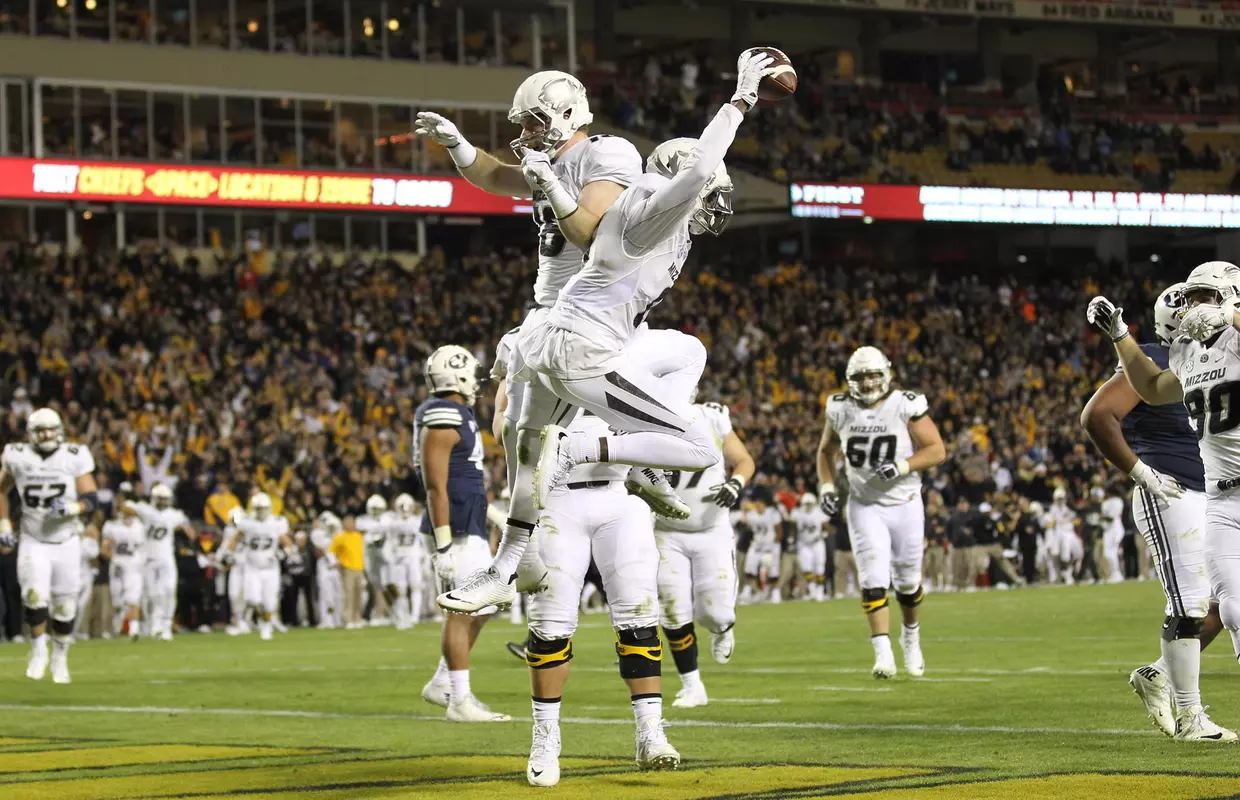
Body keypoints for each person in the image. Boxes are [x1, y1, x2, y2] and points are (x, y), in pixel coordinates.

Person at [436, 50, 774, 614]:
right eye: (712, 191)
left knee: (524, 444)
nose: (716, 201)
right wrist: (742, 98)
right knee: (692, 440)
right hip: (579, 345)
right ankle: (597, 452)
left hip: (557, 332)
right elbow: (686, 176)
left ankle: (505, 566)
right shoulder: (653, 208)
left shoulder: (648, 208)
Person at [416, 71, 691, 533]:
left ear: (567, 116)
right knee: (513, 422)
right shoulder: (551, 161)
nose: (525, 135)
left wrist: (547, 183)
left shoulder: (608, 152)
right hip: (548, 311)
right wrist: (458, 145)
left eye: (534, 123)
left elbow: (585, 229)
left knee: (676, 364)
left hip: (590, 313)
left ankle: (644, 457)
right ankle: (523, 553)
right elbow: (494, 176)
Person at [1083, 277, 1231, 741]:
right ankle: (1190, 717)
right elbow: (1098, 414)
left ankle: (1159, 674)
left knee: (1224, 603)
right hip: (1172, 488)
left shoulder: (1218, 352)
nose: (1198, 311)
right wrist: (1139, 471)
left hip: (1213, 492)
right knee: (1189, 603)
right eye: (1192, 304)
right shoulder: (1163, 356)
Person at [523, 410, 679, 786]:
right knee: (550, 622)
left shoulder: (624, 361)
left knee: (639, 614)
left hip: (618, 493)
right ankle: (545, 738)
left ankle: (649, 731)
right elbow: (504, 425)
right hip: (555, 496)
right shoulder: (533, 356)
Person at [816, 346, 946, 680]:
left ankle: (911, 637)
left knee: (907, 581)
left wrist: (903, 465)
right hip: (864, 504)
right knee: (873, 579)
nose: (869, 381)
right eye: (861, 376)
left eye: (874, 374)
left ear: (886, 374)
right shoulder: (840, 408)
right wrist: (827, 487)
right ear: (850, 380)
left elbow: (936, 450)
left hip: (905, 503)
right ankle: (883, 653)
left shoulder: (905, 403)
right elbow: (825, 452)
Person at [416, 345, 510, 722]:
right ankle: (459, 700)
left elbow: (462, 480)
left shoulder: (458, 413)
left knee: (485, 604)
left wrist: (492, 515)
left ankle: (443, 683)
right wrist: (442, 545)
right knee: (462, 609)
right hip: (451, 529)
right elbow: (436, 485)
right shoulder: (442, 415)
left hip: (466, 521)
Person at [655, 398, 755, 708]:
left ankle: (723, 628)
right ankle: (692, 685)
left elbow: (744, 461)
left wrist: (736, 483)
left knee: (716, 612)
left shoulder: (710, 417)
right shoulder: (641, 419)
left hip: (711, 529)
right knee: (672, 610)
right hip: (665, 531)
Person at [0, 408, 100, 683]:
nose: (46, 434)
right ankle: (38, 650)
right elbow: (1, 489)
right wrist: (4, 523)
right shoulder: (17, 455)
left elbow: (92, 497)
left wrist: (72, 507)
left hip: (67, 540)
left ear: (59, 430)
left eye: (50, 429)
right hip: (34, 539)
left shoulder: (74, 456)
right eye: (40, 430)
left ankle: (60, 657)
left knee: (65, 607)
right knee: (34, 596)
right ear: (31, 434)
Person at [121, 483, 189, 640]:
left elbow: (186, 527)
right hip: (150, 558)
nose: (164, 502)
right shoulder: (147, 511)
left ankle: (165, 626)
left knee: (169, 590)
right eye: (161, 499)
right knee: (152, 594)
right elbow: (124, 506)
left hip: (166, 558)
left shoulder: (172, 514)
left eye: (166, 499)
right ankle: (154, 625)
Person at [224, 493, 292, 642]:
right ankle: (260, 621)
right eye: (258, 509)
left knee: (270, 603)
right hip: (252, 567)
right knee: (252, 599)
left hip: (270, 569)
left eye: (263, 508)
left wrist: (281, 555)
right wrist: (229, 552)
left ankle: (266, 626)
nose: (261, 512)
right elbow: (236, 539)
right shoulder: (247, 523)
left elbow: (288, 544)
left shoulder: (276, 523)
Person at [101, 500, 145, 639]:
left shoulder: (139, 526)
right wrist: (114, 559)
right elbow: (104, 548)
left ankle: (134, 629)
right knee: (117, 600)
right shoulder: (113, 526)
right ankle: (118, 627)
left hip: (133, 566)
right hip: (118, 565)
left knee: (133, 598)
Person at [386, 493, 425, 629]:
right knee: (402, 589)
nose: (404, 509)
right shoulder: (395, 522)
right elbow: (390, 541)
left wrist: (423, 555)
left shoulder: (397, 522)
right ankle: (406, 616)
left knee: (415, 586)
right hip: (401, 557)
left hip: (411, 556)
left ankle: (414, 616)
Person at [739, 494, 784, 604]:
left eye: (760, 503)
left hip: (771, 546)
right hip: (757, 546)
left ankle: (774, 593)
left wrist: (774, 543)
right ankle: (748, 592)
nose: (758, 505)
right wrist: (744, 510)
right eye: (756, 503)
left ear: (765, 504)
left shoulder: (772, 513)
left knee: (773, 572)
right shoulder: (752, 514)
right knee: (749, 570)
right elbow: (745, 523)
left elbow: (779, 530)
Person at [357, 494, 391, 626]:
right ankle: (366, 615)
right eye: (374, 509)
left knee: (382, 586)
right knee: (369, 587)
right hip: (367, 558)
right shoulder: (363, 521)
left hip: (383, 558)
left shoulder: (387, 519)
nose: (376, 512)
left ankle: (379, 613)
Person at [791, 493, 830, 601]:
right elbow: (793, 525)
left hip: (817, 542)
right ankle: (812, 590)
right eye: (806, 504)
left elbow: (825, 525)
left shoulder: (819, 512)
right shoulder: (797, 513)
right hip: (803, 543)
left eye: (809, 504)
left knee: (820, 567)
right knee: (806, 568)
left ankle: (820, 590)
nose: (808, 506)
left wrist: (825, 532)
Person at [312, 512, 344, 629]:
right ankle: (326, 620)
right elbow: (319, 551)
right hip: (325, 567)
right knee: (326, 594)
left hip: (337, 568)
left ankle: (337, 619)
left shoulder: (340, 536)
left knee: (338, 594)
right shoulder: (319, 535)